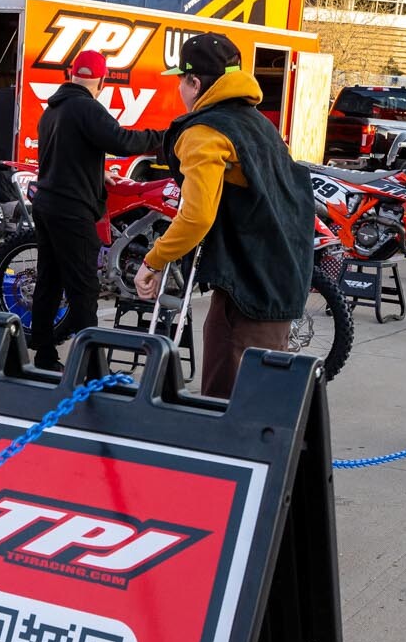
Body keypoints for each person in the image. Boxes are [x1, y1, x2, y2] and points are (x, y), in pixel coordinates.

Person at [134, 32, 314, 398]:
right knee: (260, 395)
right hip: (280, 276)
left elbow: (197, 217)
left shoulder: (204, 131)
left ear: (194, 82)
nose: (180, 92)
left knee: (230, 402)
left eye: (181, 83)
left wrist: (152, 262)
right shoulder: (257, 123)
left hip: (248, 284)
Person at [27, 49, 164, 371]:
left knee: (49, 282)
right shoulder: (87, 108)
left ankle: (45, 355)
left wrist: (98, 172)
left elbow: (64, 154)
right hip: (71, 209)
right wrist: (165, 138)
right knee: (83, 288)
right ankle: (91, 369)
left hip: (47, 204)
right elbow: (122, 142)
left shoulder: (54, 110)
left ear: (70, 75)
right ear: (101, 81)